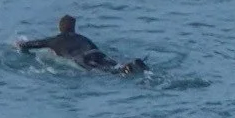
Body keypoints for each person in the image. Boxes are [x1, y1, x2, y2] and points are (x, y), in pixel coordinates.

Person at [13, 16, 145, 75]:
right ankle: (130, 65)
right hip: (95, 53)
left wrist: (19, 45)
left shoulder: (54, 40)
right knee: (114, 65)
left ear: (60, 28)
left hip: (81, 58)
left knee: (109, 72)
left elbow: (29, 45)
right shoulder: (83, 37)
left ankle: (124, 70)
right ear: (74, 28)